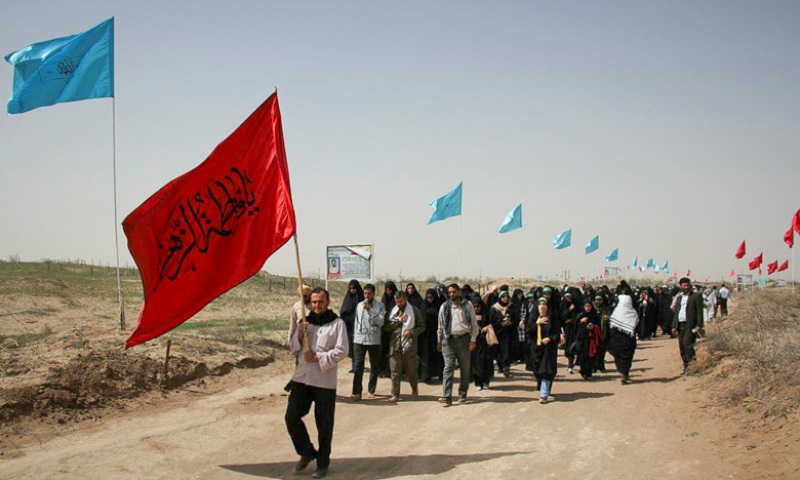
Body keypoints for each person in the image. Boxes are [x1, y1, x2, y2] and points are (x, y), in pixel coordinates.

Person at [285, 287, 348, 479]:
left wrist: (319, 357)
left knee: (324, 425)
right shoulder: (306, 322)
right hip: (302, 378)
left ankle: (322, 463)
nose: (317, 305)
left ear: (327, 302)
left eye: (320, 302)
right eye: (313, 302)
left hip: (323, 380)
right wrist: (300, 332)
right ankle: (306, 451)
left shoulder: (337, 323)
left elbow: (342, 350)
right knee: (291, 417)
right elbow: (293, 347)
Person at [437, 283, 479, 407]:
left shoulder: (467, 305)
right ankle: (447, 396)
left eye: (454, 292)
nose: (452, 294)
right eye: (449, 292)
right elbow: (440, 325)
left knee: (465, 369)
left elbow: (474, 324)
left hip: (464, 340)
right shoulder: (444, 307)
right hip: (448, 341)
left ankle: (462, 394)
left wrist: (473, 340)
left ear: (459, 292)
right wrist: (439, 341)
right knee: (448, 368)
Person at [385, 291, 425, 402]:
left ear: (405, 299)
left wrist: (411, 332)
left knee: (411, 370)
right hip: (395, 345)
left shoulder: (414, 311)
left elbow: (421, 327)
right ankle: (395, 395)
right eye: (397, 302)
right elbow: (386, 327)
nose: (399, 304)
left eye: (401, 301)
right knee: (395, 371)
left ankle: (414, 388)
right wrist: (397, 321)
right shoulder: (393, 312)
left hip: (409, 346)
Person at [351, 284, 385, 400]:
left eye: (369, 294)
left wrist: (369, 311)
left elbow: (381, 322)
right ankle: (357, 392)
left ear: (373, 294)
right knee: (358, 365)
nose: (366, 296)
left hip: (373, 339)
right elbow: (357, 321)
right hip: (359, 339)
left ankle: (371, 390)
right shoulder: (359, 305)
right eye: (365, 293)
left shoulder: (379, 306)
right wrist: (355, 336)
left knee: (374, 365)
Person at [527, 297, 560, 404]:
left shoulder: (552, 318)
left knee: (546, 370)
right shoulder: (533, 318)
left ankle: (544, 395)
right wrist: (537, 323)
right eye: (540, 304)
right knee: (538, 371)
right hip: (536, 348)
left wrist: (549, 338)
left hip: (548, 349)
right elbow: (529, 332)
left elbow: (556, 334)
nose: (542, 307)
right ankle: (543, 387)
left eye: (544, 304)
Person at [671, 277, 704, 375]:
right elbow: (677, 312)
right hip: (681, 324)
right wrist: (674, 326)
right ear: (680, 286)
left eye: (687, 285)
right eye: (684, 285)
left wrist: (699, 324)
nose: (686, 287)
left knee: (688, 345)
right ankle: (686, 367)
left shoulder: (696, 296)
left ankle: (693, 366)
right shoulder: (679, 297)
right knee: (682, 346)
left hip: (691, 326)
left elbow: (699, 312)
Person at [609, 281, 639, 384]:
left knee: (625, 355)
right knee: (620, 354)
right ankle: (624, 374)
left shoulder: (631, 302)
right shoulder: (616, 302)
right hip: (619, 334)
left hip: (625, 335)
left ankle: (625, 374)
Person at [470, 294, 496, 390]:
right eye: (474, 307)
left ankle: (486, 381)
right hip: (475, 342)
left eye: (478, 306)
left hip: (486, 342)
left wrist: (487, 326)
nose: (476, 309)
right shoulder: (470, 315)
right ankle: (478, 382)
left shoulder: (487, 313)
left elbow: (494, 323)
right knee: (476, 362)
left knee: (486, 361)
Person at [419, 288, 444, 383]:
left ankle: (439, 374)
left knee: (437, 355)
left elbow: (441, 319)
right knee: (426, 356)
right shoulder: (423, 305)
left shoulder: (438, 306)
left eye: (431, 297)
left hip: (436, 335)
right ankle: (426, 376)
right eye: (428, 297)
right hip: (425, 336)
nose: (429, 299)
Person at [339, 279, 364, 372]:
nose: (352, 290)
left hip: (359, 326)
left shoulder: (360, 298)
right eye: (350, 288)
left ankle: (357, 365)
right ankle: (354, 365)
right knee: (351, 346)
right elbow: (343, 311)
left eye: (354, 288)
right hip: (349, 326)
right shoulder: (348, 298)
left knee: (358, 347)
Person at [491, 290, 514, 378]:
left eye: (506, 296)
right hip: (498, 332)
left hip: (508, 332)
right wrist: (501, 321)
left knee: (507, 349)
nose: (505, 298)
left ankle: (506, 367)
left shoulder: (511, 306)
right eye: (503, 297)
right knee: (498, 350)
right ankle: (500, 365)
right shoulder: (495, 308)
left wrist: (510, 322)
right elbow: (492, 321)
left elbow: (515, 317)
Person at [379, 281, 398, 378]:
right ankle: (382, 370)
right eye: (387, 290)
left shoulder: (397, 300)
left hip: (394, 329)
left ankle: (391, 370)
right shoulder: (384, 299)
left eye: (390, 290)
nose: (388, 292)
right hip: (384, 329)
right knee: (383, 349)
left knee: (393, 350)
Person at [288, 285, 313, 349]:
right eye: (301, 296)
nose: (303, 298)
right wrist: (289, 339)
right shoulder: (296, 306)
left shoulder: (315, 306)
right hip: (300, 338)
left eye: (305, 296)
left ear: (310, 295)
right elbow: (293, 324)